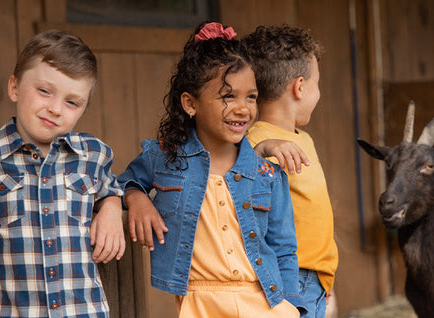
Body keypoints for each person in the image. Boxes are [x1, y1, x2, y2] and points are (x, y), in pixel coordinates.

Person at [0, 29, 126, 317]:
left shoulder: (93, 155)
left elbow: (112, 189)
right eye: (44, 91)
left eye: (72, 102)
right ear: (15, 87)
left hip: (83, 310)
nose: (56, 108)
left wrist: (111, 209)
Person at [118, 22, 305, 317]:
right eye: (228, 96)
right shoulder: (164, 159)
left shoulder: (267, 175)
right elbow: (124, 182)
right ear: (190, 104)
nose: (243, 108)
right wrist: (137, 198)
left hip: (264, 302)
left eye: (251, 96)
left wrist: (293, 304)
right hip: (199, 303)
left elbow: (284, 248)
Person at [242, 25, 338, 318]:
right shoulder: (258, 140)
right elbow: (240, 172)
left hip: (315, 277)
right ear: (299, 87)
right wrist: (262, 151)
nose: (318, 93)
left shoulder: (302, 138)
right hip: (290, 277)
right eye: (317, 83)